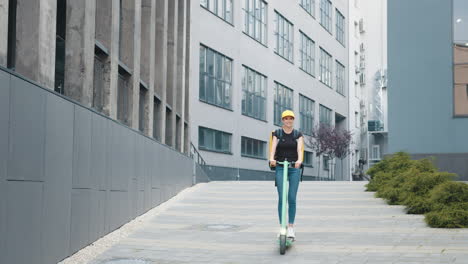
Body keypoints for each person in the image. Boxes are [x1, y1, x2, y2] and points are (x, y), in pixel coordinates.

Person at [269, 110, 304, 239]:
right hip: (280, 167)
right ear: (282, 120)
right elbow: (273, 148)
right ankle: (282, 226)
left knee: (292, 198)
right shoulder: (277, 133)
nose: (289, 121)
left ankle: (290, 227)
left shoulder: (297, 134)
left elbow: (299, 149)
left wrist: (299, 161)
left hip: (294, 168)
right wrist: (271, 158)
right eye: (286, 119)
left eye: (291, 118)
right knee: (282, 198)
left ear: (293, 120)